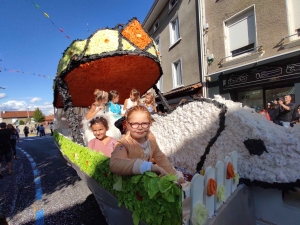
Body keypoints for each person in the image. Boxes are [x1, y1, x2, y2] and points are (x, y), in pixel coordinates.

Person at [110, 105, 185, 184]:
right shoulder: (124, 143)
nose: (140, 127)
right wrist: (149, 166)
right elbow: (115, 163)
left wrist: (175, 176)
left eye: (144, 123)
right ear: (127, 124)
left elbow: (160, 157)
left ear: (150, 123)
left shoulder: (150, 138)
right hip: (131, 185)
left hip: (147, 183)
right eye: (135, 124)